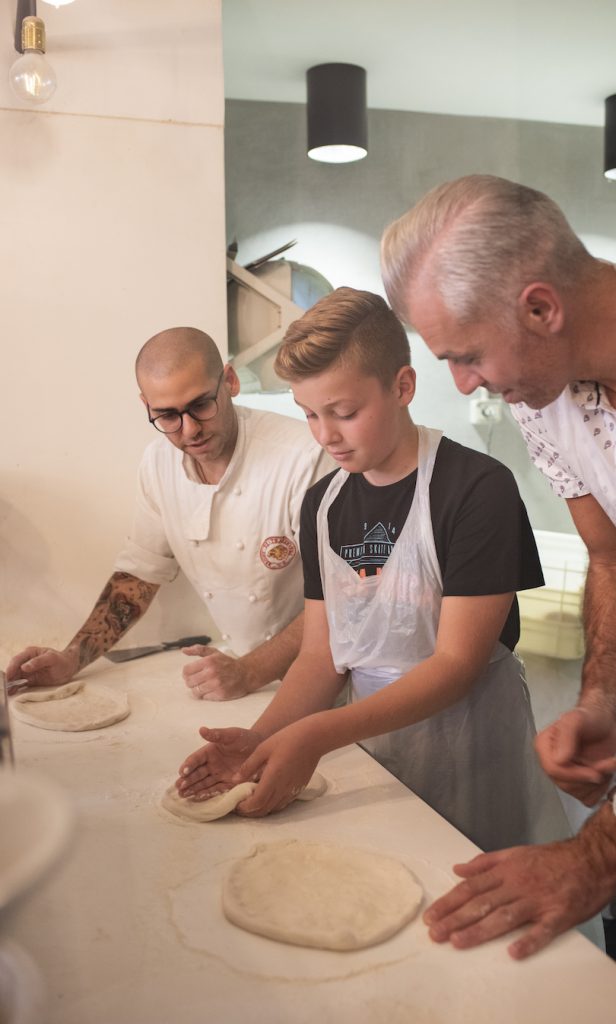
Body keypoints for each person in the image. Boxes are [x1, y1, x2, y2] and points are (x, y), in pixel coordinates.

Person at [175, 288, 569, 858]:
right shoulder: (323, 505)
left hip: (473, 744)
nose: (325, 435)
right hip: (373, 747)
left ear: (402, 387)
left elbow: (456, 666)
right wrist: (260, 742)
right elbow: (322, 656)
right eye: (309, 414)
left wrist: (314, 734)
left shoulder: (476, 489)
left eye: (345, 412)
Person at [380, 173, 616, 958]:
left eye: (468, 355)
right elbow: (610, 552)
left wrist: (594, 855)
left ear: (542, 308)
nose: (465, 384)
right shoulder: (546, 397)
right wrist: (601, 696)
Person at [6, 327, 331, 701]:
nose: (189, 430)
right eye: (167, 416)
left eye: (200, 405)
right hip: (240, 679)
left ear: (230, 381)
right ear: (147, 406)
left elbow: (342, 594)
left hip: (321, 676)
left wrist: (251, 670)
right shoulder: (158, 464)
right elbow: (139, 577)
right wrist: (69, 658)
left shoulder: (302, 458)